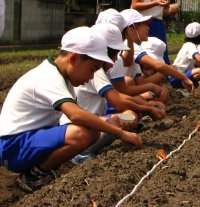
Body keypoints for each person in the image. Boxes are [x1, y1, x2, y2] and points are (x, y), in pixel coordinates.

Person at [0, 27, 143, 192]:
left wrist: (112, 121)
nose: (91, 77)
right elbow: (76, 115)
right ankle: (33, 176)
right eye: (92, 69)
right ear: (74, 58)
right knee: (84, 134)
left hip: (26, 141)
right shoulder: (47, 77)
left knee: (100, 127)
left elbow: (77, 118)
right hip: (12, 146)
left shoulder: (64, 79)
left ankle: (42, 169)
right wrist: (121, 133)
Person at [59, 24, 166, 164]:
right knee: (127, 116)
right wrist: (147, 108)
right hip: (84, 124)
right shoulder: (95, 71)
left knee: (129, 115)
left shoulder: (95, 69)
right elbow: (117, 100)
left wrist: (147, 106)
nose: (116, 59)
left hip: (94, 119)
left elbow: (119, 95)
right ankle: (82, 152)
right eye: (115, 54)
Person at [168, 22, 200, 93]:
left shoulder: (189, 45)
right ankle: (186, 84)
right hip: (177, 78)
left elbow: (196, 64)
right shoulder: (189, 45)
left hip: (178, 76)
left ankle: (189, 84)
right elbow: (199, 59)